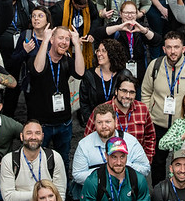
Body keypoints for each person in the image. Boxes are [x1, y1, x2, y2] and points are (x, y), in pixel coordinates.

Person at [141, 31, 185, 185]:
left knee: (182, 162)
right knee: (157, 162)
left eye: (176, 47)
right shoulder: (155, 66)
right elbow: (145, 92)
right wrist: (148, 117)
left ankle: (182, 192)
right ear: (164, 49)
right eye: (169, 47)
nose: (173, 51)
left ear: (183, 49)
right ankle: (159, 191)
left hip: (183, 125)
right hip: (158, 124)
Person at [28, 27, 84, 172]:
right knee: (39, 163)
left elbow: (80, 73)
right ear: (52, 39)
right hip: (42, 124)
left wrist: (77, 44)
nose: (64, 42)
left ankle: (63, 193)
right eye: (60, 38)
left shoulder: (66, 61)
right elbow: (37, 70)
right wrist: (45, 40)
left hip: (64, 123)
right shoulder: (38, 58)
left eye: (67, 39)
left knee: (63, 162)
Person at [71, 104, 149, 197]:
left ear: (115, 121)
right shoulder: (84, 145)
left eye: (108, 122)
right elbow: (77, 175)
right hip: (97, 193)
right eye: (99, 122)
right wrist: (104, 173)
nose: (104, 126)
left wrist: (124, 168)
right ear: (94, 123)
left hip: (126, 191)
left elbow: (145, 168)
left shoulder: (130, 141)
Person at [83, 75, 156, 164]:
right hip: (108, 164)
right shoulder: (101, 111)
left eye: (132, 92)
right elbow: (87, 139)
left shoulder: (142, 109)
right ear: (116, 91)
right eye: (124, 91)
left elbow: (150, 136)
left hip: (135, 163)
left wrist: (147, 160)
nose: (128, 96)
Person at [0, 120, 66, 201]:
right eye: (29, 133)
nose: (33, 137)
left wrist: (42, 197)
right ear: (21, 136)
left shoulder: (54, 157)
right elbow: (8, 197)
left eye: (37, 133)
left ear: (42, 136)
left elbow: (60, 195)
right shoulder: (9, 160)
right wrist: (39, 195)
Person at [80, 136, 151, 201]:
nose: (119, 162)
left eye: (122, 157)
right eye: (114, 157)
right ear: (106, 156)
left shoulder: (138, 180)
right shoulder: (93, 182)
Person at [78, 39, 129, 125]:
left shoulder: (124, 74)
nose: (99, 54)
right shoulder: (89, 75)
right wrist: (92, 123)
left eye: (103, 51)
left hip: (119, 123)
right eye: (98, 50)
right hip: (96, 124)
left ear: (113, 54)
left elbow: (129, 100)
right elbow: (84, 103)